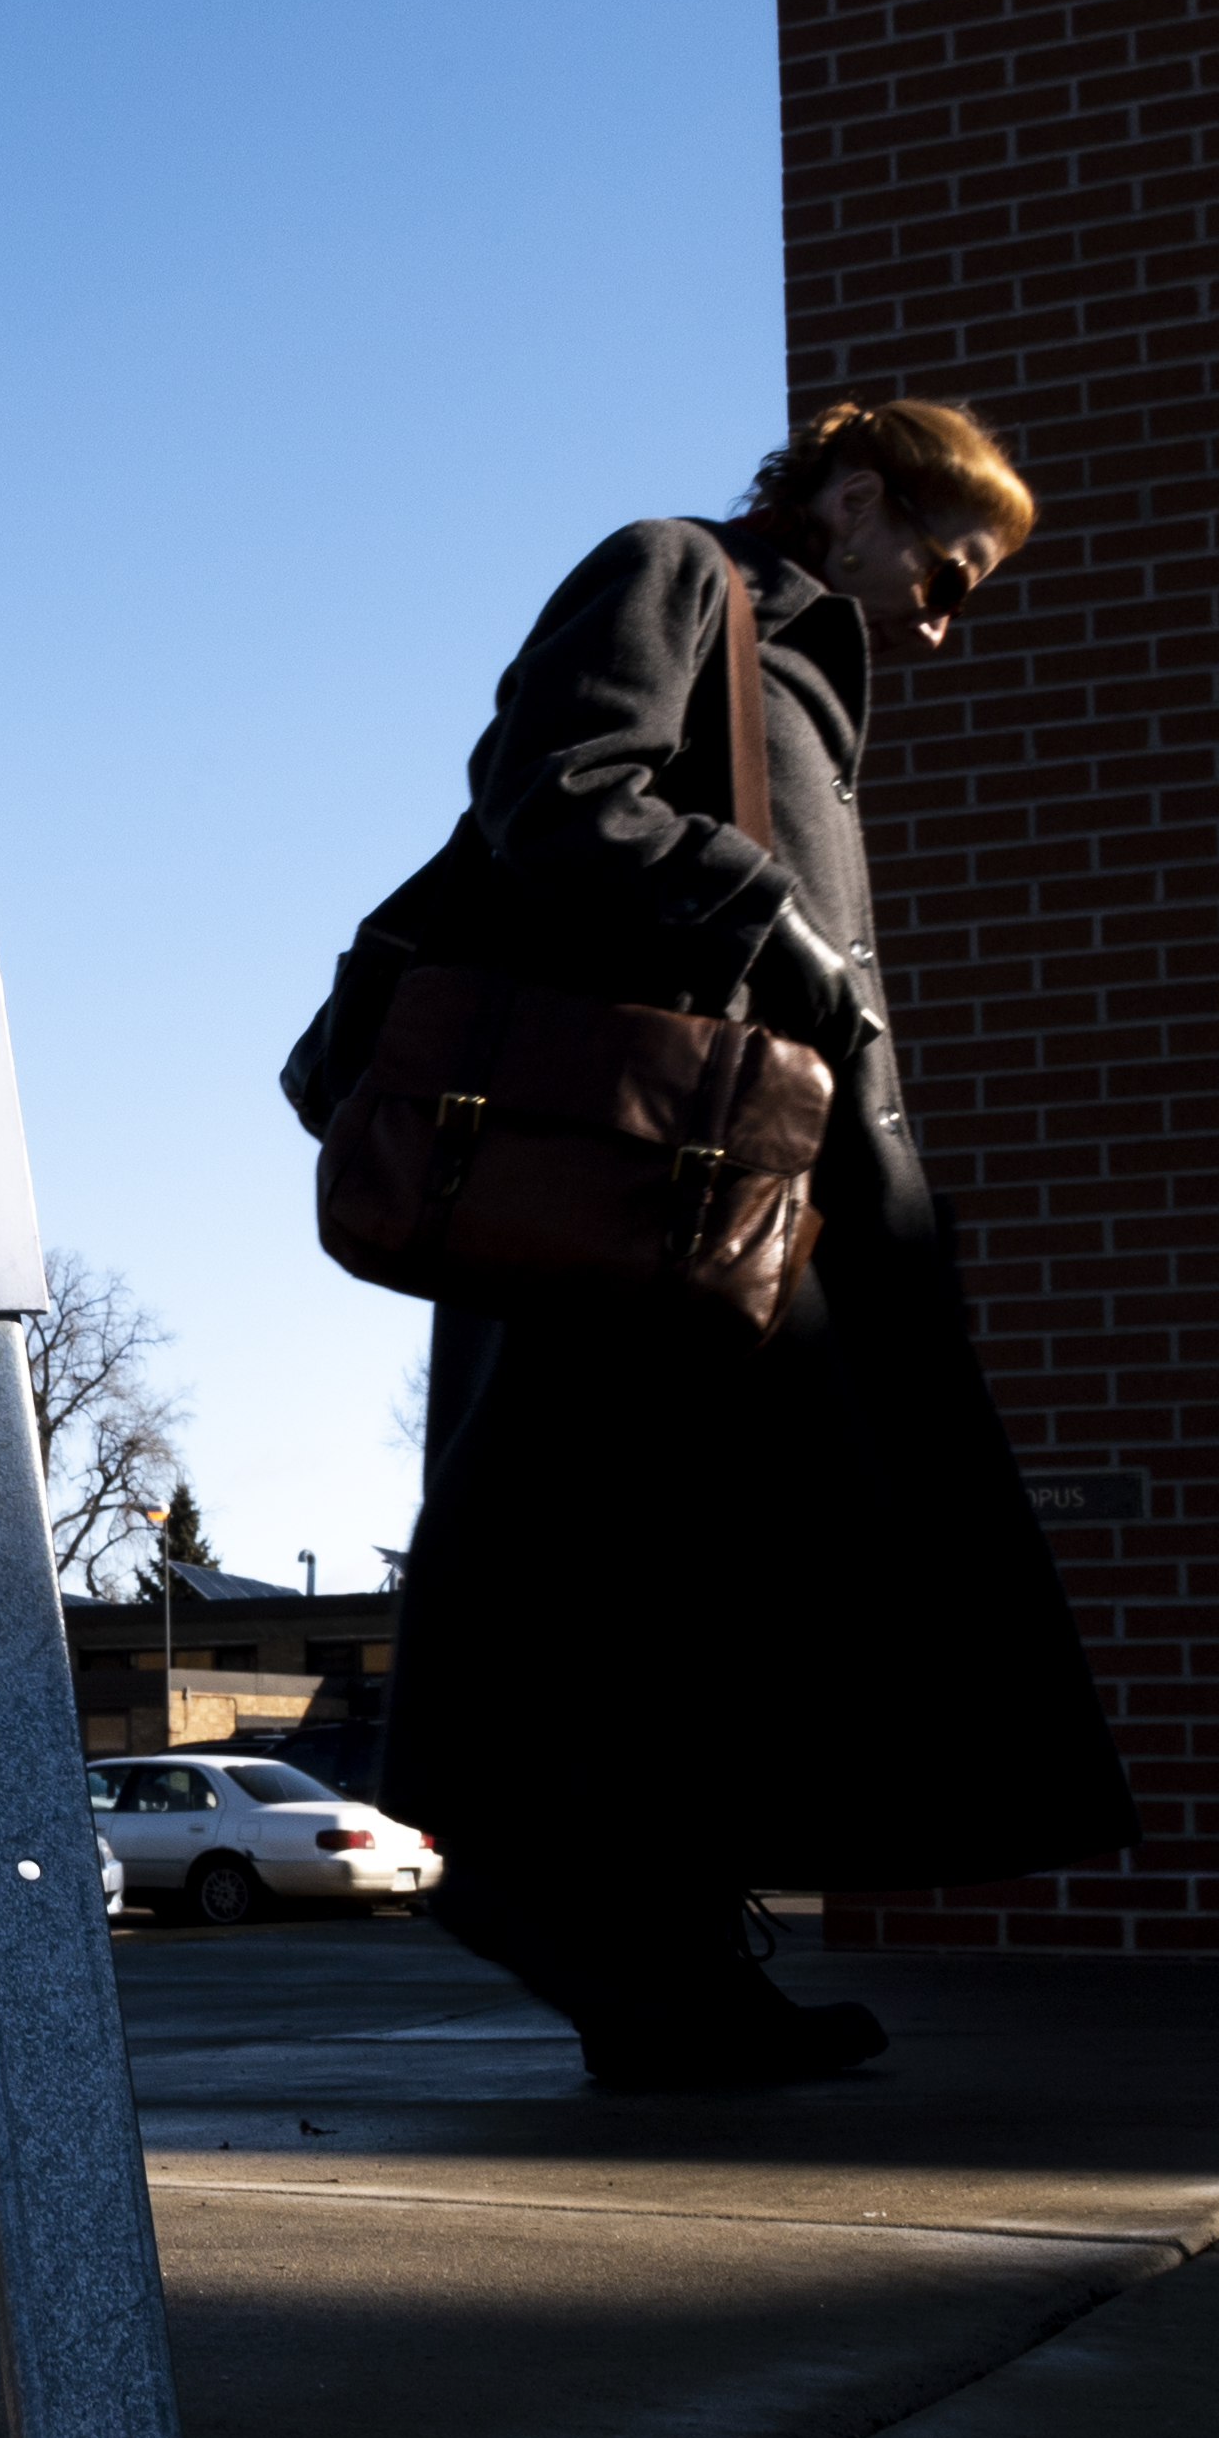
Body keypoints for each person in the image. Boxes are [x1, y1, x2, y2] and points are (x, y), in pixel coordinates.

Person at [363, 398, 1135, 2085]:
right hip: (649, 1194)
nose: (942, 616)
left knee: (724, 1582)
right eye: (943, 568)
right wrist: (759, 908)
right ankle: (554, 1900)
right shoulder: (675, 576)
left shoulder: (798, 670)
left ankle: (673, 1971)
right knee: (635, 1560)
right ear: (855, 500)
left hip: (769, 1204)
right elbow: (552, 791)